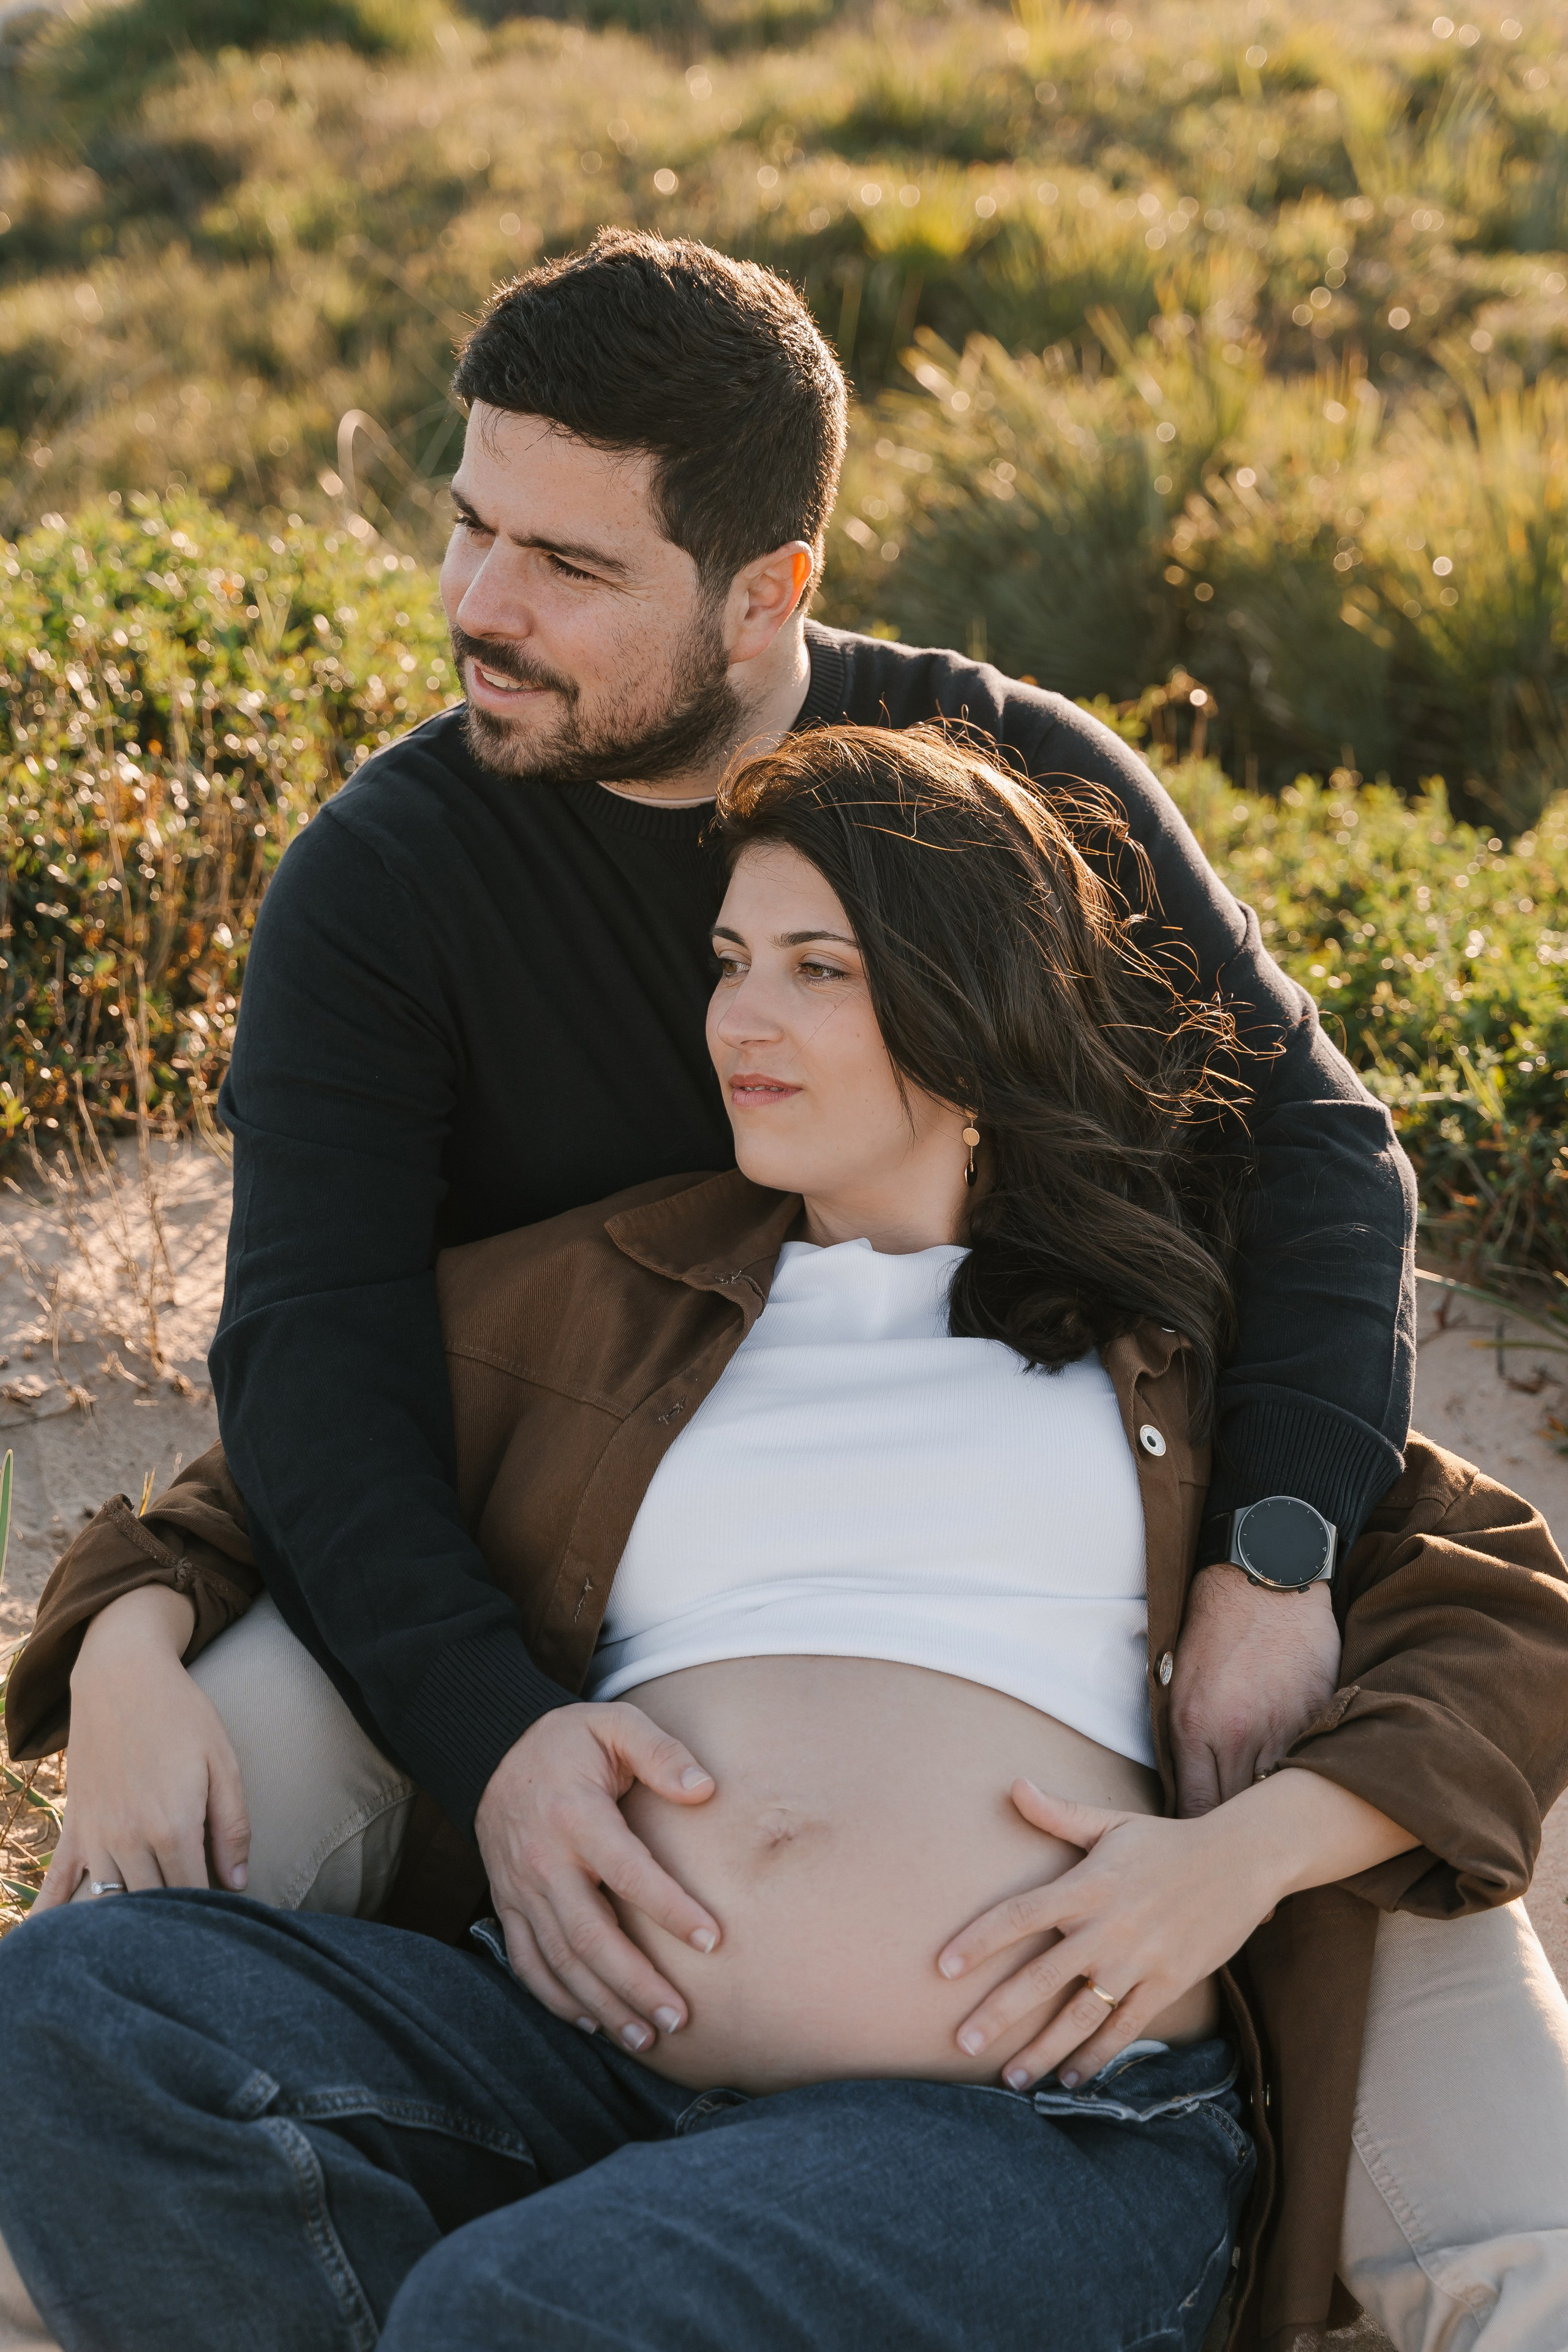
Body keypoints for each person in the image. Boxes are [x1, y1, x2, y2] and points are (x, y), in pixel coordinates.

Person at [4, 726, 1567, 2352]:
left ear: (975, 1004)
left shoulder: (1169, 1346)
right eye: (730, 961)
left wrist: (1235, 1863)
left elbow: (1502, 1617)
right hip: (582, 2083)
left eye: (818, 969)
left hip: (1026, 2137)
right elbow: (286, 1478)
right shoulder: (607, 1296)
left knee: (521, 2304)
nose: (739, 1019)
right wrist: (125, 1647)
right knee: (71, 2006)